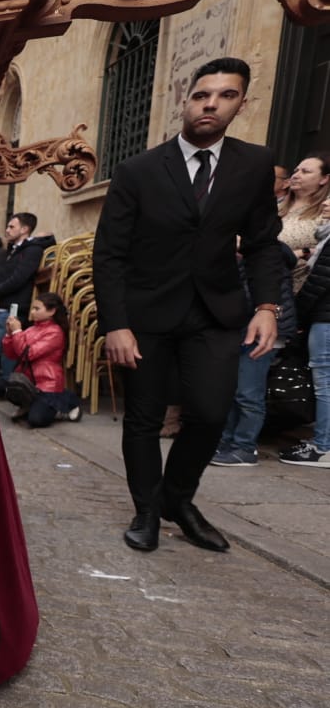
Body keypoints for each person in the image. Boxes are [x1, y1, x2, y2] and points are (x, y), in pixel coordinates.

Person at [93, 56, 283, 553]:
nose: (211, 104)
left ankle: (177, 497)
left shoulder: (256, 164)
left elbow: (263, 242)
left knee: (210, 412)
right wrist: (116, 324)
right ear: (186, 99)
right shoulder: (137, 170)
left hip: (216, 312)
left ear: (242, 102)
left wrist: (267, 306)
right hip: (146, 314)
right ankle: (147, 511)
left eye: (225, 95)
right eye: (202, 95)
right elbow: (109, 253)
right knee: (143, 418)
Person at [211, 241, 298, 466]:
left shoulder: (267, 255)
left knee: (248, 393)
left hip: (261, 331)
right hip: (246, 330)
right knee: (234, 391)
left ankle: (244, 447)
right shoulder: (250, 256)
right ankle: (227, 443)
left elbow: (252, 297)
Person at [0, 213, 54, 376]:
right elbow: (2, 277)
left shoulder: (32, 250)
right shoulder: (14, 249)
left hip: (13, 307)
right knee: (3, 351)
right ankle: (4, 385)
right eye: (7, 226)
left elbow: (18, 279)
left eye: (11, 226)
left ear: (25, 229)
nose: (7, 230)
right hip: (3, 306)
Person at [281, 230, 330, 466]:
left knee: (325, 383)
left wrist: (298, 316)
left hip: (326, 319)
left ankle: (324, 446)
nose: (327, 203)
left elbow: (319, 282)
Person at [0, 291, 81, 427]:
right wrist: (9, 335)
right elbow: (12, 355)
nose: (32, 312)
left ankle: (66, 402)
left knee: (36, 420)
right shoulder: (31, 330)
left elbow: (27, 354)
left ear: (51, 311)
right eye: (33, 308)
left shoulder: (55, 332)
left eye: (37, 309)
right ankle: (29, 404)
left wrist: (17, 332)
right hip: (29, 381)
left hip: (47, 384)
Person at [277, 154, 330, 291]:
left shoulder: (325, 210)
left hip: (299, 291)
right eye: (296, 171)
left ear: (324, 179)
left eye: (305, 172)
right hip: (262, 284)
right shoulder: (275, 207)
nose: (295, 175)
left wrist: (303, 252)